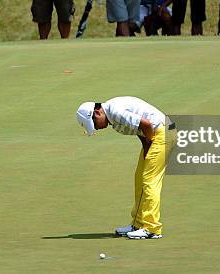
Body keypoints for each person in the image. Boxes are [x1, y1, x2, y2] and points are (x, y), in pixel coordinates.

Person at [76, 96, 177, 240]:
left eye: (94, 123)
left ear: (97, 113)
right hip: (157, 133)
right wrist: (146, 146)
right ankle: (138, 224)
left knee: (149, 180)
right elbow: (140, 130)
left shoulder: (116, 112)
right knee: (139, 178)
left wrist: (149, 145)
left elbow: (146, 125)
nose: (97, 127)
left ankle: (152, 228)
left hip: (163, 133)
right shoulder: (112, 116)